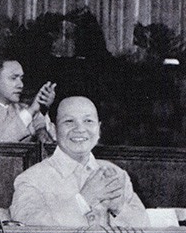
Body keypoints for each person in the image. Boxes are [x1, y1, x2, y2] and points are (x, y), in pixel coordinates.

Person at [10, 96, 149, 228]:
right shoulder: (31, 179)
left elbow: (146, 227)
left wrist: (119, 208)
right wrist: (83, 200)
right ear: (53, 130)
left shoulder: (117, 174)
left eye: (88, 121)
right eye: (69, 121)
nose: (80, 129)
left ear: (99, 129)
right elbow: (26, 227)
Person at [0, 57, 56, 142]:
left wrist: (43, 109)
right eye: (13, 78)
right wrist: (31, 111)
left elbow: (52, 145)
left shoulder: (24, 109)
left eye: (21, 78)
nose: (21, 85)